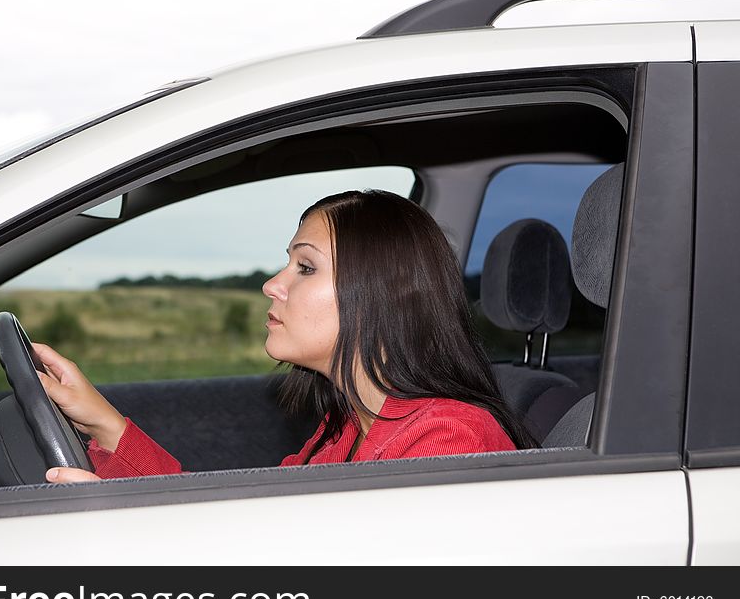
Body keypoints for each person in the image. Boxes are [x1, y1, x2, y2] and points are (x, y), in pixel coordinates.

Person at [35, 189, 538, 484]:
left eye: (305, 267)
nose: (273, 285)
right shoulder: (344, 431)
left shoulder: (448, 441)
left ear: (382, 295)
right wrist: (105, 425)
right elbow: (242, 526)